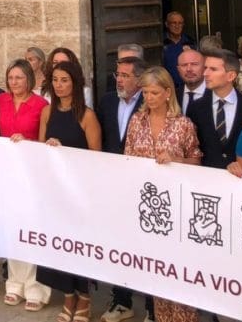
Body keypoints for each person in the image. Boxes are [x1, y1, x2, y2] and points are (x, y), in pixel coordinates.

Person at [124, 67, 202, 322]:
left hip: (177, 207)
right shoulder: (136, 121)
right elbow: (127, 158)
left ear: (168, 93)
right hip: (147, 207)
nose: (149, 97)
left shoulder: (183, 125)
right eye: (145, 92)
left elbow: (197, 162)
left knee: (179, 271)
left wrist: (176, 159)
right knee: (157, 272)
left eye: (155, 92)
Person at [40, 60, 100, 321]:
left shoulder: (87, 116)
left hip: (80, 191)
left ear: (75, 83)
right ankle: (67, 294)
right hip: (55, 191)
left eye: (64, 80)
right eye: (55, 80)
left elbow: (96, 157)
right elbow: (42, 150)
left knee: (80, 245)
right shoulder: (47, 113)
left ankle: (84, 298)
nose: (59, 85)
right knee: (60, 245)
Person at [0, 59, 49, 311]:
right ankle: (14, 283)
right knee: (12, 226)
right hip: (7, 173)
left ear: (29, 78)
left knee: (32, 228)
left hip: (32, 174)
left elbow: (45, 141)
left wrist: (26, 142)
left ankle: (35, 286)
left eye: (19, 77)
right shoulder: (1, 101)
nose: (14, 82)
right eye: (10, 78)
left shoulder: (41, 105)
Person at [98, 53, 147, 322]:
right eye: (118, 75)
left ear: (139, 79)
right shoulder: (106, 102)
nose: (119, 80)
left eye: (125, 75)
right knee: (117, 241)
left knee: (148, 245)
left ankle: (152, 307)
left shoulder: (149, 102)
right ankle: (121, 300)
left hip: (143, 186)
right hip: (114, 185)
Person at [187, 49, 242, 169]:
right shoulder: (195, 107)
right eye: (205, 68)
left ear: (231, 76)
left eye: (213, 69)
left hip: (241, 180)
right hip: (206, 180)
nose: (205, 74)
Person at [161, 12, 194, 89]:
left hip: (187, 87)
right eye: (174, 23)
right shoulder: (160, 43)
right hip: (167, 88)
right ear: (167, 24)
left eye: (180, 23)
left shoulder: (190, 42)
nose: (177, 26)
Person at [176, 49, 205, 114]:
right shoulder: (174, 96)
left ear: (204, 67)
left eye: (194, 64)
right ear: (178, 69)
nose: (189, 69)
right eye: (184, 65)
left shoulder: (217, 94)